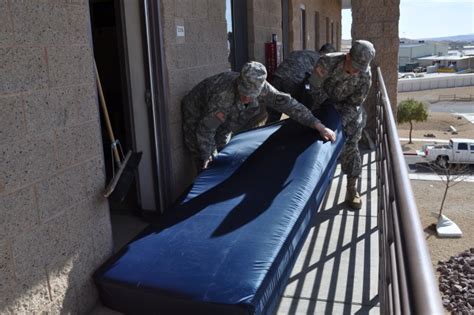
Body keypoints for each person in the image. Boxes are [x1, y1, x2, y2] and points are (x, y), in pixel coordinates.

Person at [182, 61, 336, 171]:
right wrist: (208, 157)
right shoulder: (223, 95)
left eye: (251, 95)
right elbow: (205, 130)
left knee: (223, 146)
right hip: (196, 112)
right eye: (244, 93)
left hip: (223, 114)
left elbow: (290, 106)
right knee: (202, 155)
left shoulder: (264, 89)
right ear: (239, 83)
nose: (247, 98)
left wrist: (318, 125)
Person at [307, 40, 375, 210]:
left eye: (361, 68)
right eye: (354, 66)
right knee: (315, 143)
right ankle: (311, 186)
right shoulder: (326, 62)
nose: (356, 71)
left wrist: (338, 125)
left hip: (348, 112)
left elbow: (355, 104)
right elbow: (314, 89)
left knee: (351, 146)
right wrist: (326, 118)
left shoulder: (365, 75)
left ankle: (352, 189)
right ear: (347, 56)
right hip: (322, 105)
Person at [266, 43, 336, 123]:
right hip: (294, 83)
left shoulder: (303, 52)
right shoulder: (321, 60)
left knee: (274, 113)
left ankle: (267, 132)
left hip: (277, 78)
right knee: (298, 112)